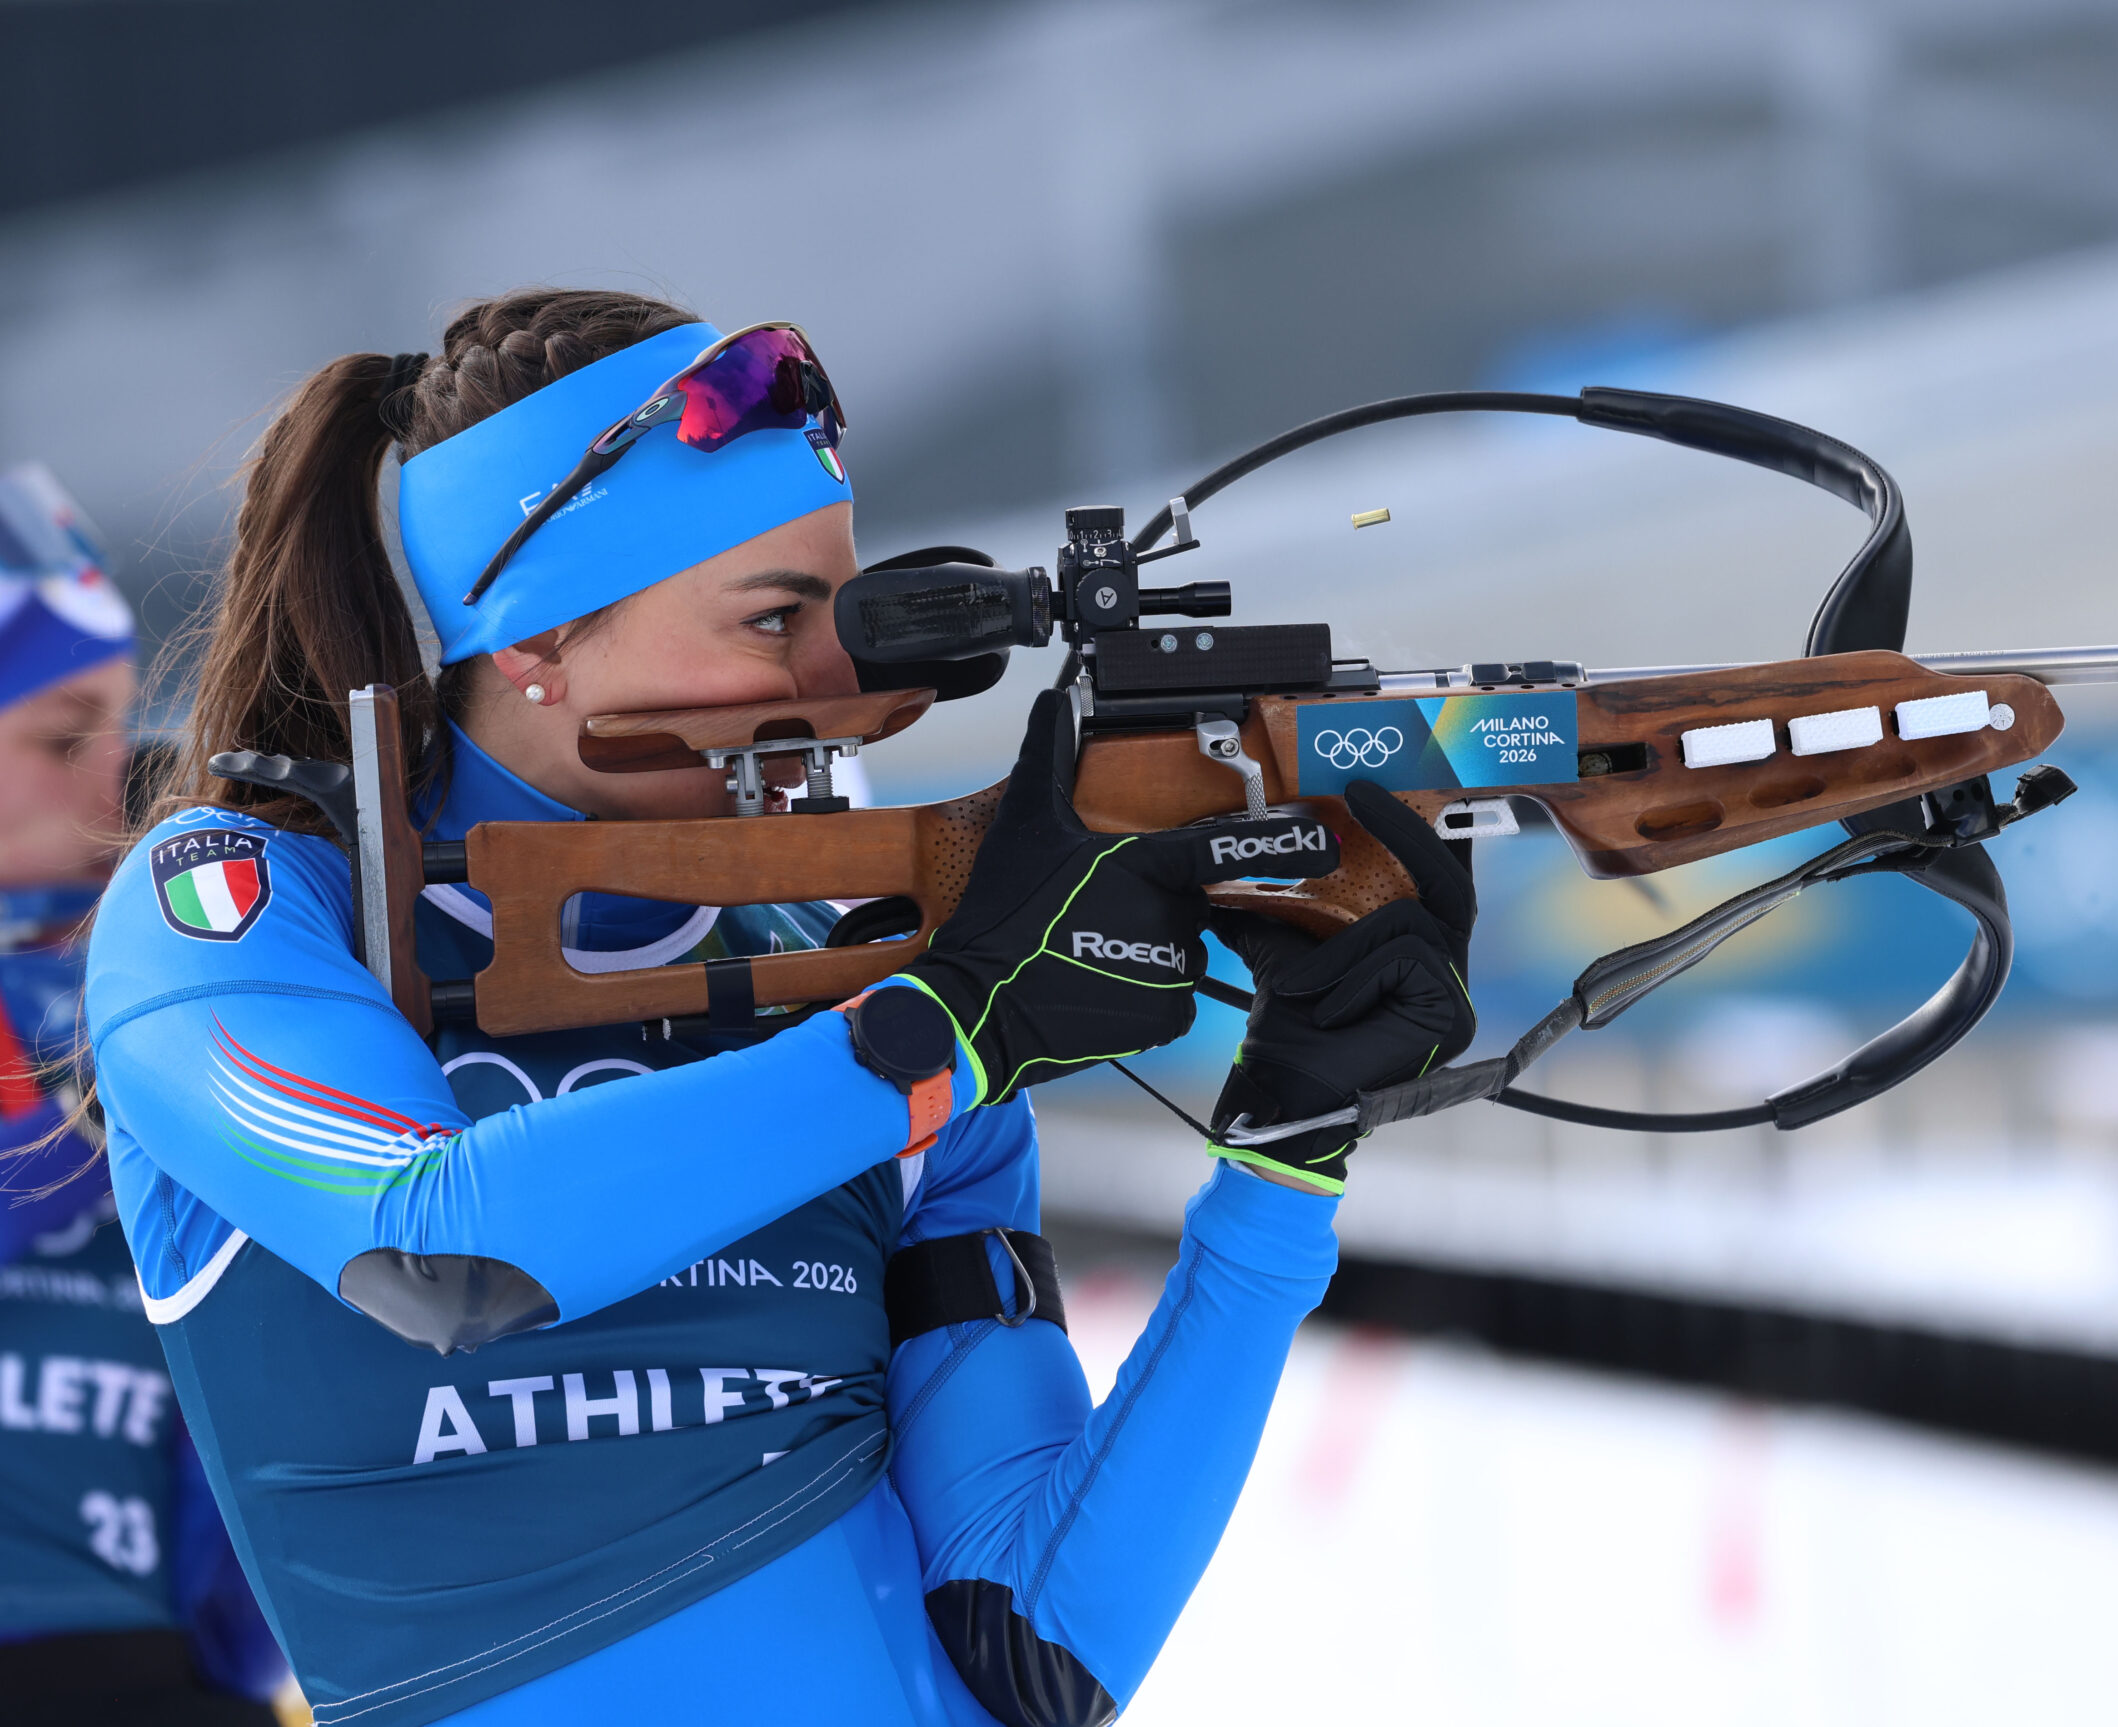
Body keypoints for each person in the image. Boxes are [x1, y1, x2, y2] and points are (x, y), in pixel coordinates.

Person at [80, 291, 1475, 1727]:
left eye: (845, 610)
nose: (835, 682)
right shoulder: (245, 908)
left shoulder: (860, 970)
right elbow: (438, 1245)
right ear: (536, 638)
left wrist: (1285, 1152)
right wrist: (955, 1026)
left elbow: (1039, 1642)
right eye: (774, 619)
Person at [0, 464, 291, 1722]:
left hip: (159, 1666)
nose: (121, 781)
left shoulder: (129, 968)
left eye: (125, 730)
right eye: (65, 735)